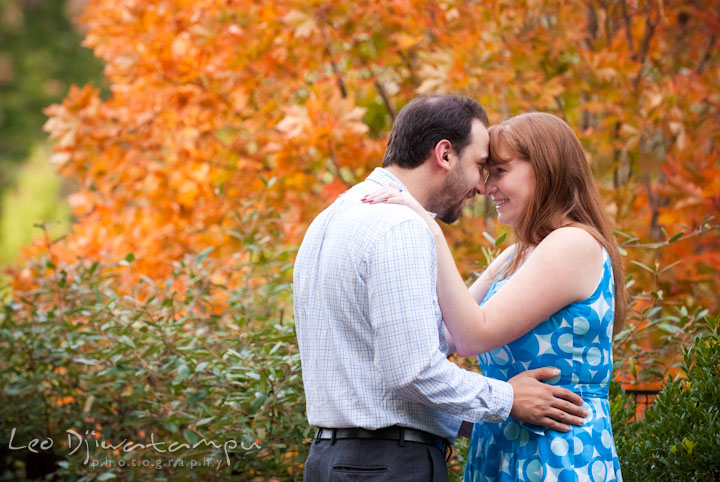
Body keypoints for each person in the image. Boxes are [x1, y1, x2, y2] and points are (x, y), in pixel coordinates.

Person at [293, 96, 588, 482]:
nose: (483, 186)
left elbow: (413, 348)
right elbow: (413, 371)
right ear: (445, 155)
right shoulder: (400, 226)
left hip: (328, 460)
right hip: (388, 466)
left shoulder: (330, 218)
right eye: (481, 166)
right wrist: (508, 399)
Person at [362, 112, 626, 481]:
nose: (486, 188)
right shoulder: (515, 255)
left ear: (545, 169)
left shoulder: (574, 243)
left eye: (500, 171)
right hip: (501, 445)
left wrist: (429, 229)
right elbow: (449, 334)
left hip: (556, 453)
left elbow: (473, 335)